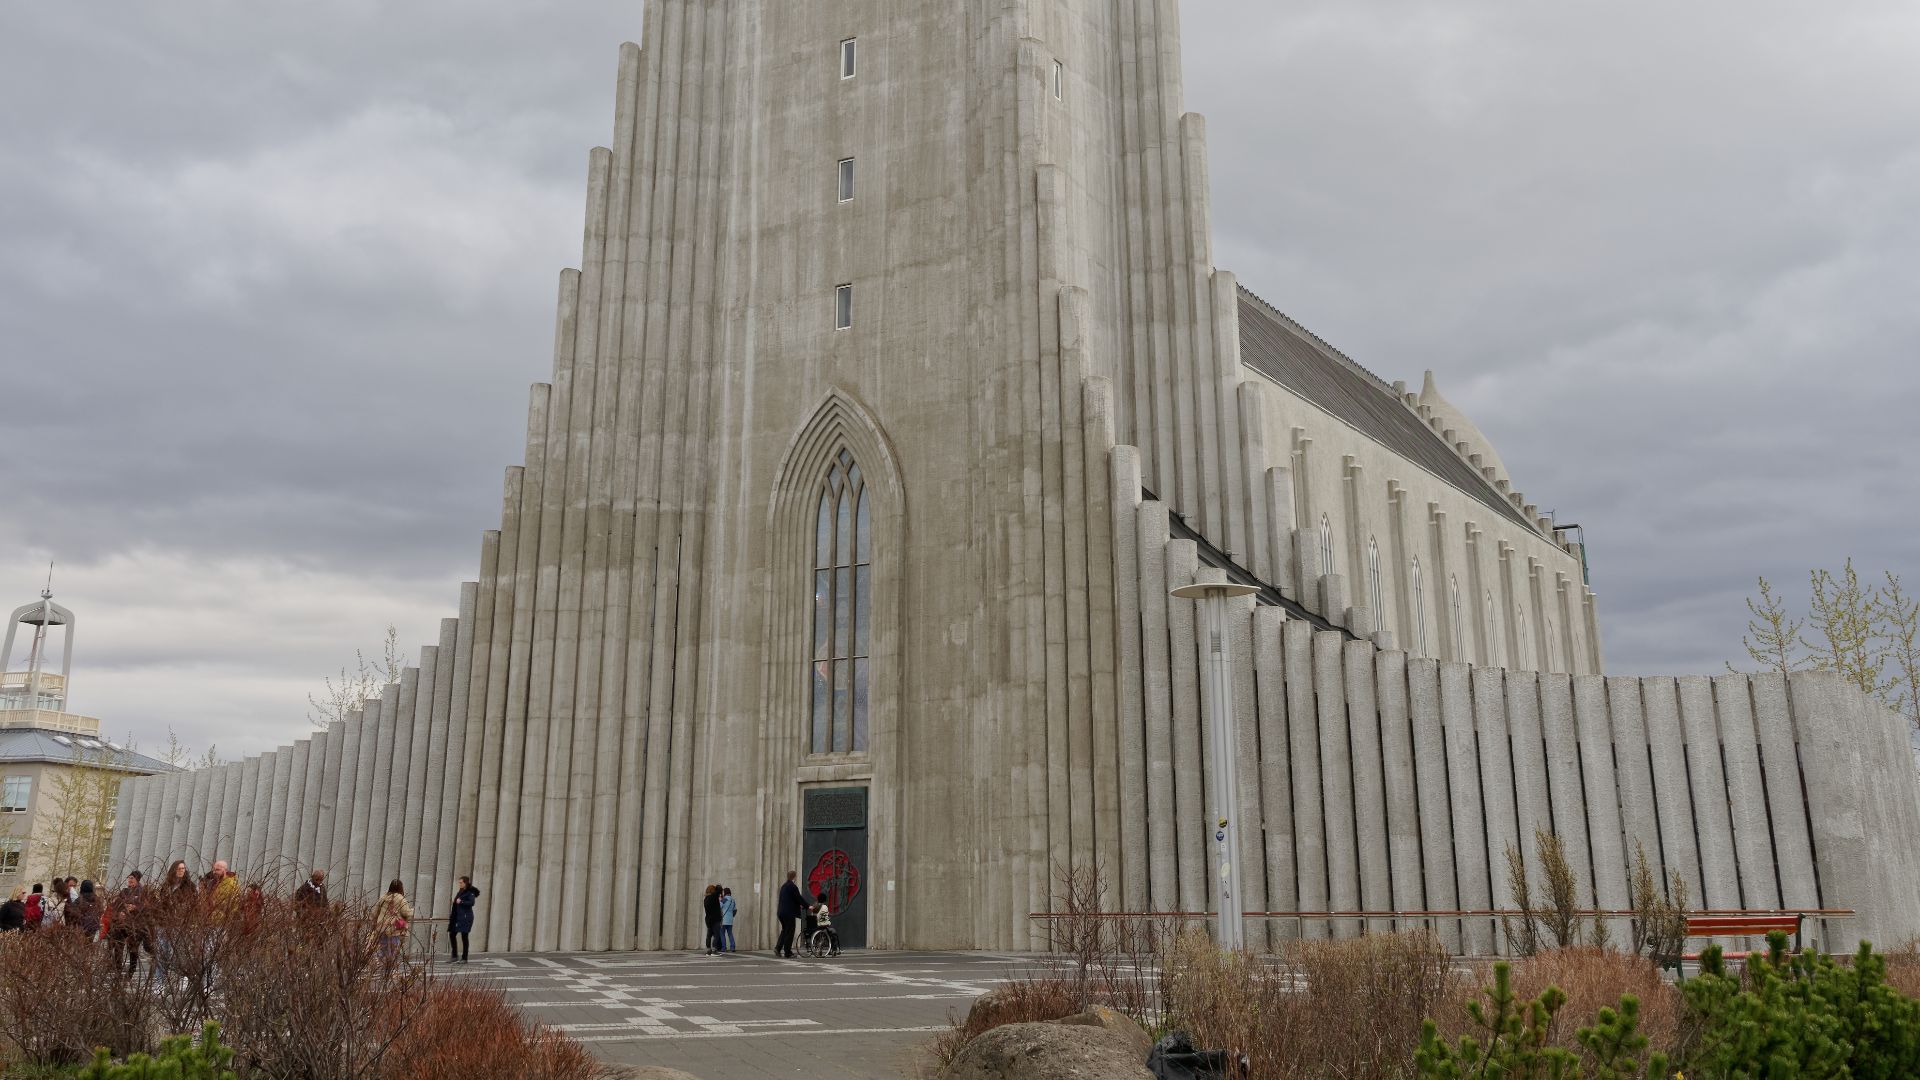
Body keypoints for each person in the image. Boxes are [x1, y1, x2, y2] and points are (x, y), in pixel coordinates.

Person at [107, 871, 148, 974]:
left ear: (137, 880)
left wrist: (135, 907)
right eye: (129, 878)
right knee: (118, 945)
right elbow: (116, 905)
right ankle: (118, 970)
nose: (130, 880)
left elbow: (146, 907)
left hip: (135, 925)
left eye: (132, 878)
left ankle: (131, 971)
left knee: (132, 948)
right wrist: (119, 913)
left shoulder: (142, 892)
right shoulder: (124, 891)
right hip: (122, 925)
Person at [374, 880, 413, 968]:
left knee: (383, 947)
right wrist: (412, 912)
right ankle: (390, 969)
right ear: (401, 888)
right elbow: (406, 913)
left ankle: (376, 961)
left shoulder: (383, 897)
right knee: (393, 949)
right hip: (394, 928)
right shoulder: (401, 898)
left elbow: (374, 912)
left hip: (381, 927)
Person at [447, 876, 479, 964]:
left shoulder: (470, 892)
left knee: (464, 936)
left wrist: (461, 902)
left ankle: (464, 958)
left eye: (461, 882)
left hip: (465, 917)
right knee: (452, 934)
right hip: (457, 917)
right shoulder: (461, 891)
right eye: (459, 882)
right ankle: (454, 956)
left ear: (465, 883)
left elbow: (471, 903)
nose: (459, 884)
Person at [775, 870, 804, 959]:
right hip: (789, 914)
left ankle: (778, 948)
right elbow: (799, 898)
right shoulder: (792, 886)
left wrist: (798, 905)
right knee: (790, 932)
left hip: (781, 913)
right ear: (794, 877)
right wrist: (807, 906)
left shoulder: (784, 886)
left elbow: (790, 900)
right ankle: (788, 952)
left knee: (785, 930)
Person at [702, 884, 723, 955]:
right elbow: (719, 890)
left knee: (709, 935)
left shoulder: (706, 899)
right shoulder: (713, 897)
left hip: (708, 919)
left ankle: (708, 950)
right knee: (716, 935)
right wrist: (718, 886)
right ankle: (714, 950)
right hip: (715, 919)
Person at [719, 887, 737, 953]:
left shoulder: (724, 899)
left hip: (723, 920)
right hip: (730, 920)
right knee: (730, 933)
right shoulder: (733, 900)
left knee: (722, 934)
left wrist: (720, 900)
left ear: (725, 892)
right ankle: (732, 947)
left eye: (723, 892)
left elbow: (719, 906)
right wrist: (732, 916)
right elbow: (735, 910)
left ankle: (724, 948)